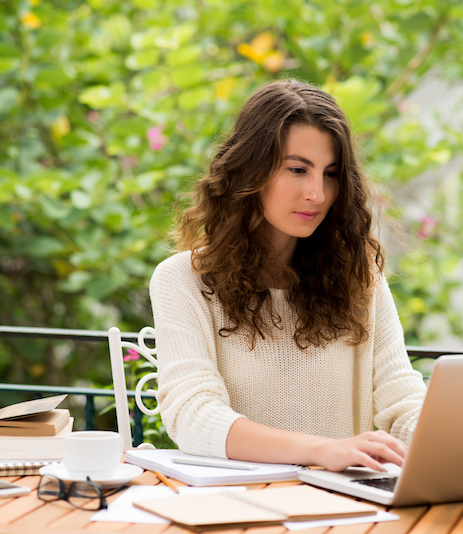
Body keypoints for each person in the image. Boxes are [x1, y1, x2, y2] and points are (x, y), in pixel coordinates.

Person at [150, 79, 427, 472]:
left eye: (330, 174)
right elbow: (194, 416)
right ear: (250, 170)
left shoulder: (359, 279)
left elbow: (403, 403)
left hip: (342, 509)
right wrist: (320, 451)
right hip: (238, 508)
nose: (317, 193)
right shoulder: (183, 280)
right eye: (298, 169)